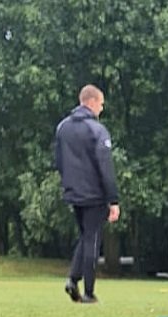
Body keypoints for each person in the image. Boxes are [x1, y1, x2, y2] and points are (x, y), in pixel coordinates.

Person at [55, 84, 120, 304]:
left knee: (85, 236)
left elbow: (59, 161)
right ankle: (89, 292)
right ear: (91, 102)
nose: (101, 109)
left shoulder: (62, 128)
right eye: (101, 104)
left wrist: (68, 184)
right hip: (94, 193)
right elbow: (106, 166)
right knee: (92, 239)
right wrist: (113, 199)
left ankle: (73, 280)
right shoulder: (97, 130)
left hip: (73, 191)